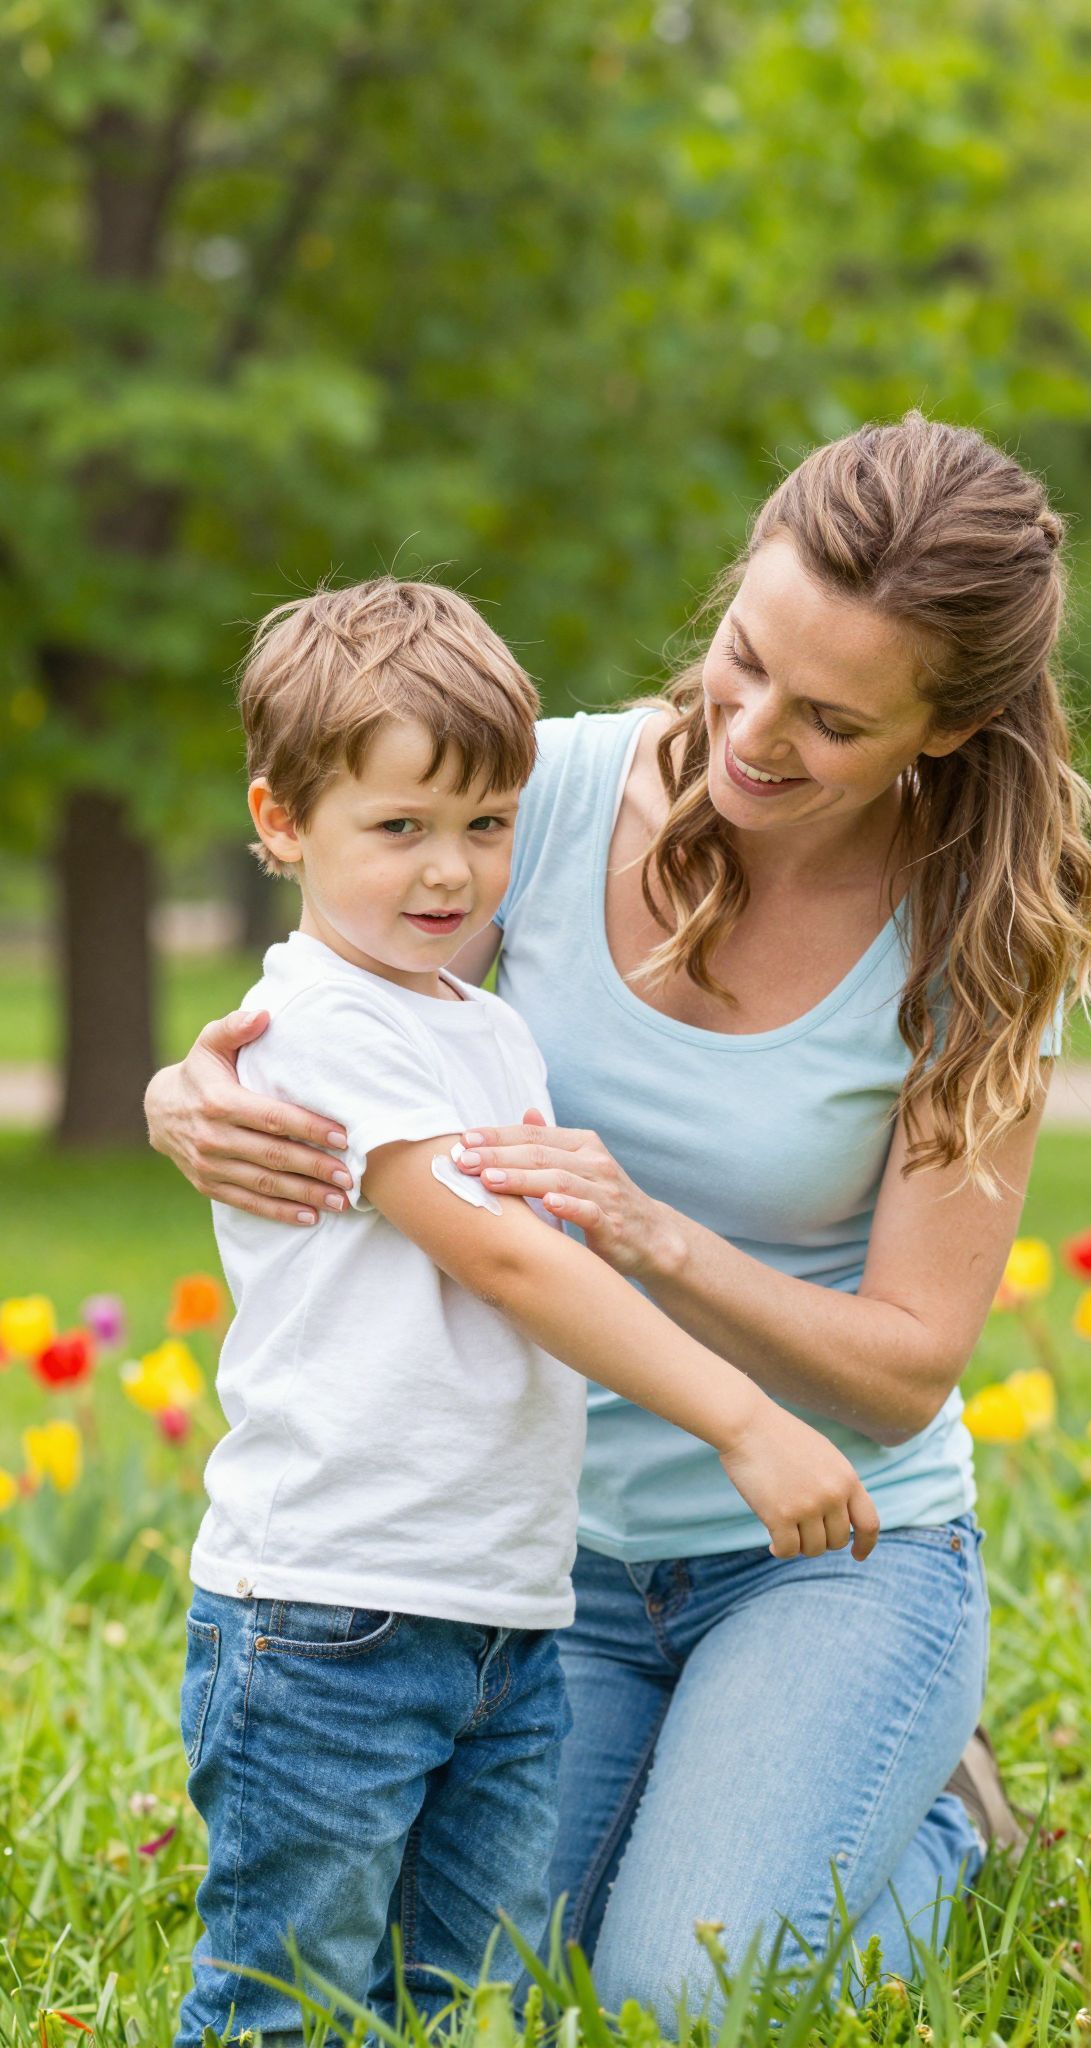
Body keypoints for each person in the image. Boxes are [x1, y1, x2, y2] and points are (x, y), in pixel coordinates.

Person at [149, 415, 1091, 2020]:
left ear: (946, 732)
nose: (751, 730)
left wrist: (652, 1235)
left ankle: (936, 1824)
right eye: (746, 657)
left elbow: (905, 1370)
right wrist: (196, 1094)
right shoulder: (544, 795)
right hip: (542, 1574)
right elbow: (353, 975)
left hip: (824, 1544)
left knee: (677, 2001)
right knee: (487, 1982)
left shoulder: (986, 922)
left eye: (833, 718)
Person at [173, 576, 879, 2048]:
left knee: (471, 2000)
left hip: (503, 1611)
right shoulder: (323, 1023)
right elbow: (505, 1259)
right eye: (399, 829)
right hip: (329, 1613)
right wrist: (744, 1418)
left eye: (487, 826)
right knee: (287, 2002)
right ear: (281, 820)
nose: (450, 871)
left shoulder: (480, 1026)